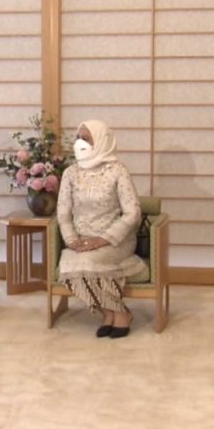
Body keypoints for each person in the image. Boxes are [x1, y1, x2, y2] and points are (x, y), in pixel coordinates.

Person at [56, 120, 146, 339]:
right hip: (80, 241)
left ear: (101, 141)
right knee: (67, 266)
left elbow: (133, 212)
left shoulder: (117, 170)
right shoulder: (70, 173)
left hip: (116, 241)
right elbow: (63, 212)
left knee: (88, 262)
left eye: (85, 138)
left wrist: (103, 239)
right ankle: (112, 312)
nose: (79, 143)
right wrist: (71, 239)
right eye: (78, 138)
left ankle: (117, 314)